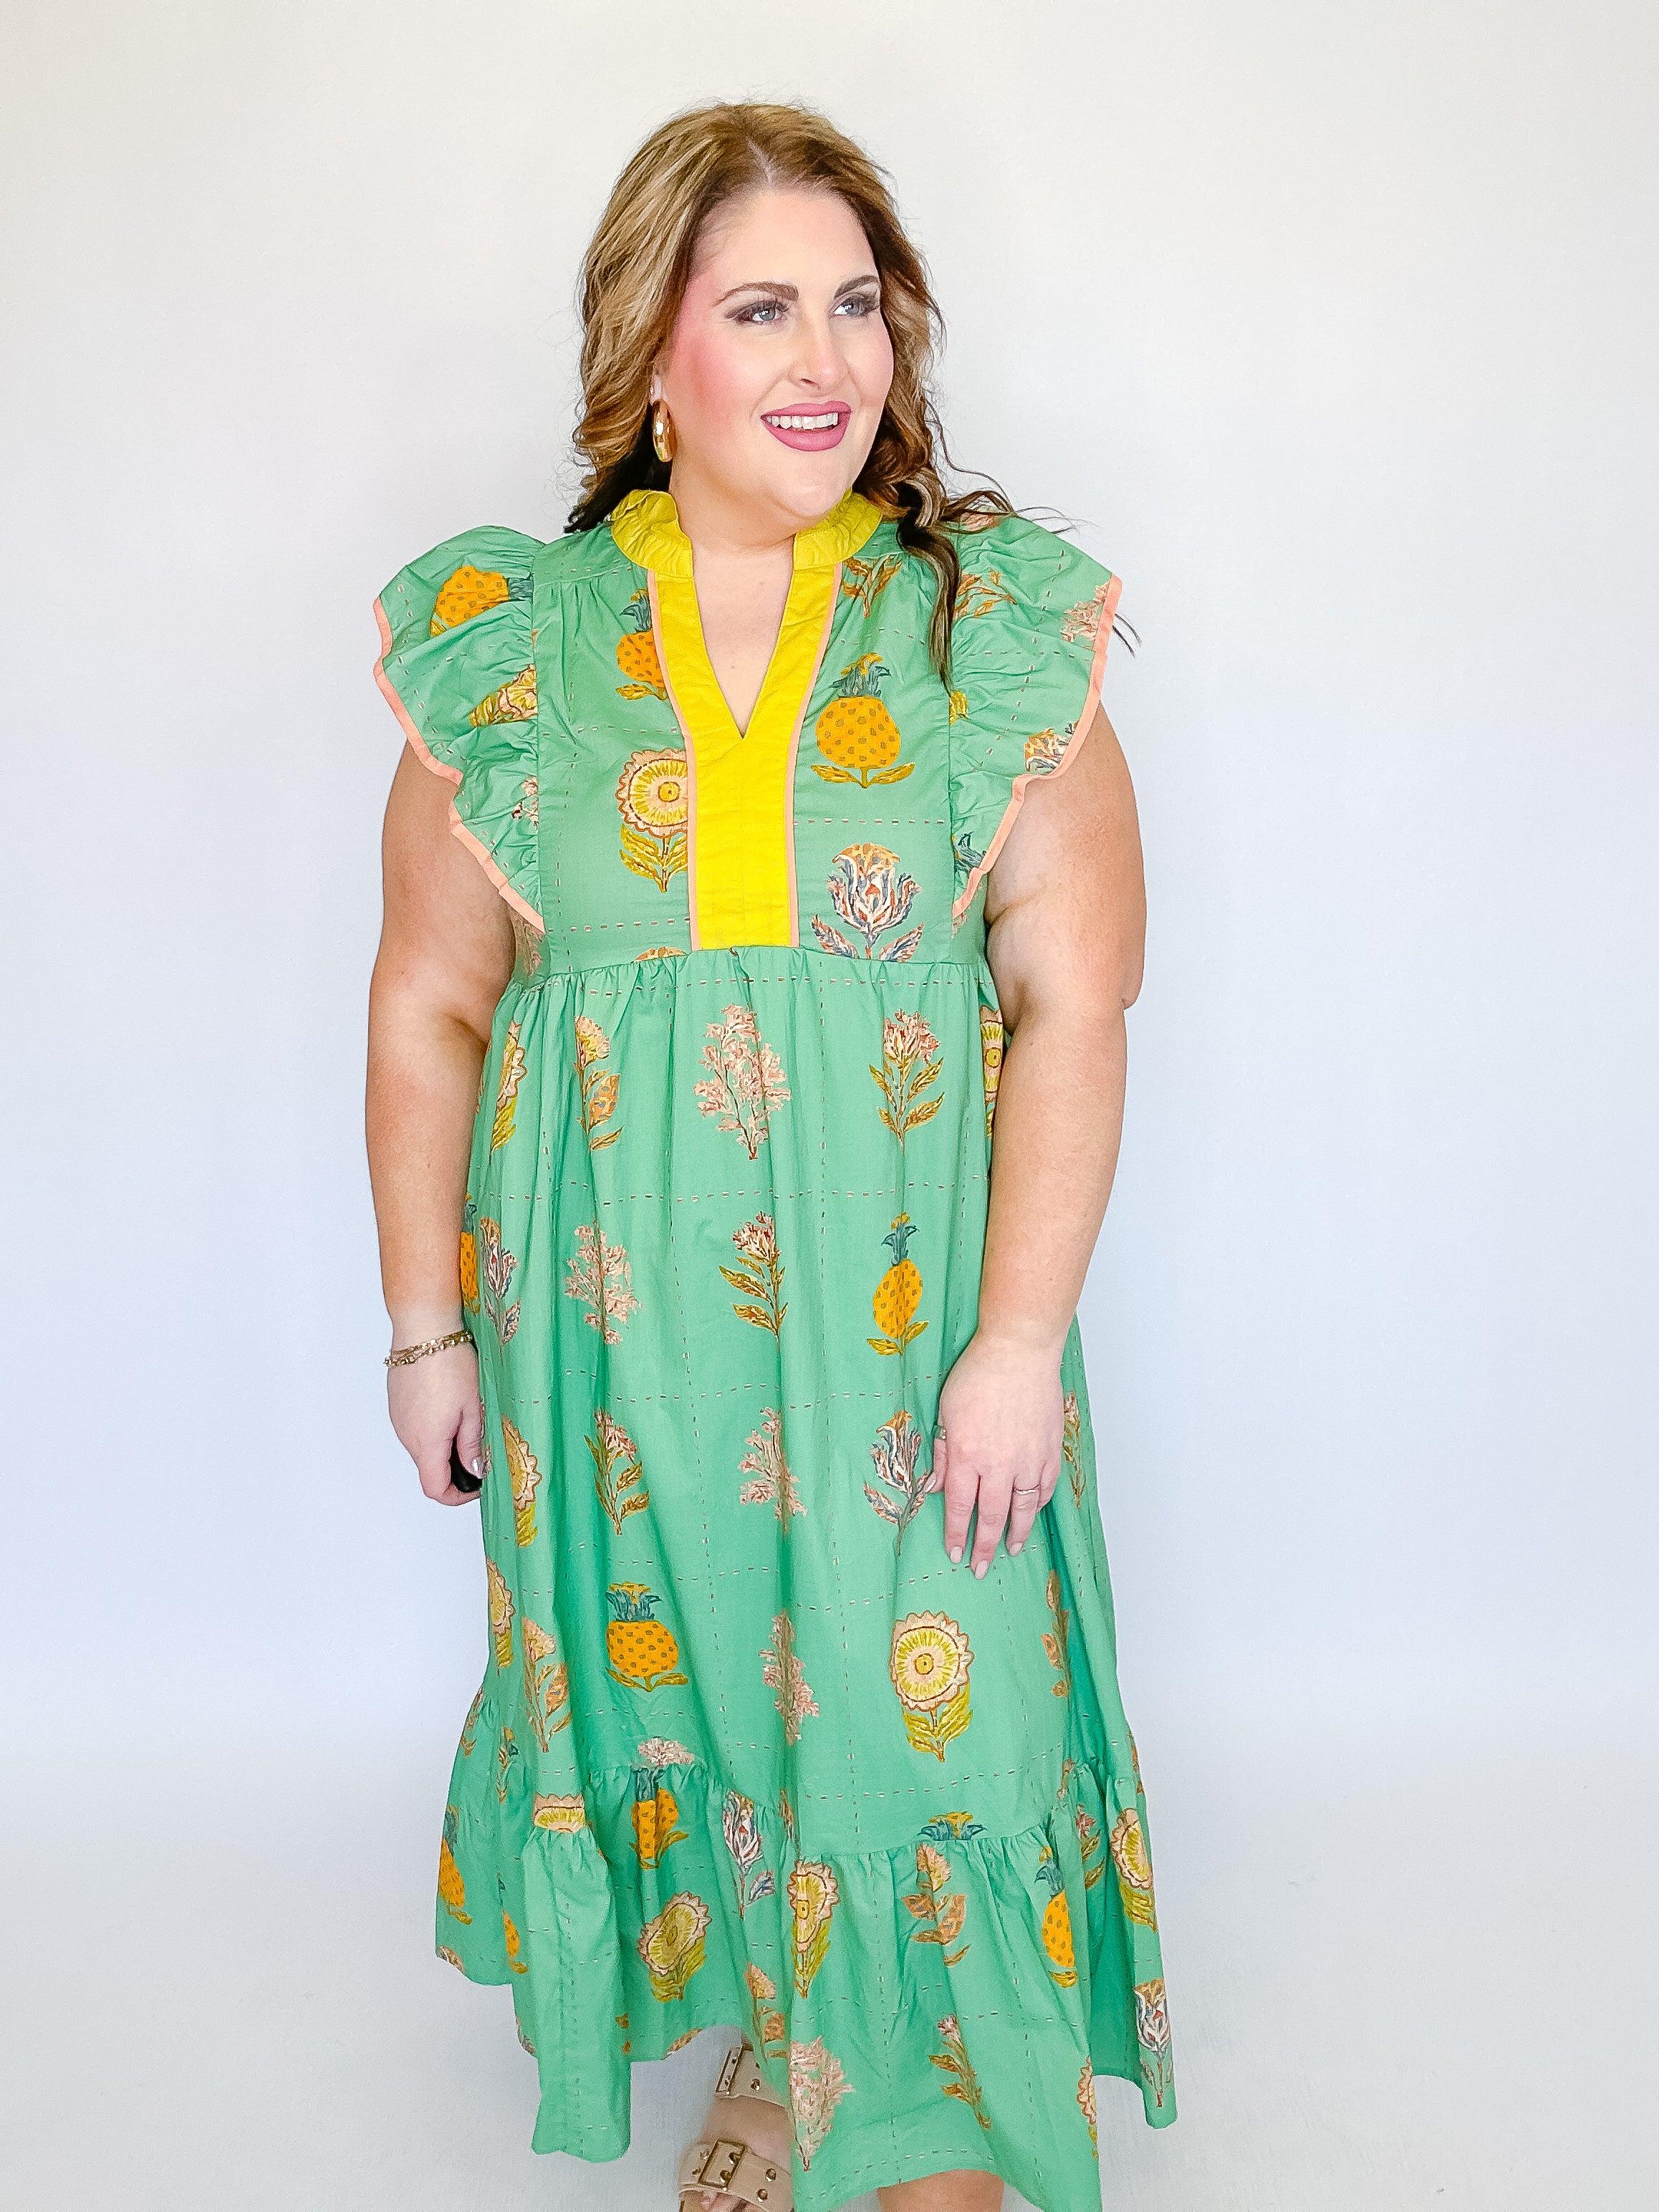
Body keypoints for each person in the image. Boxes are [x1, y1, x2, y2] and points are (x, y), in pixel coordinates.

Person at [366, 99, 1175, 2212]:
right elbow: (430, 1003)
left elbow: (1076, 1008)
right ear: (652, 351)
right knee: (709, 1685)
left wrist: (1018, 1345)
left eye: (857, 306)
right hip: (615, 1339)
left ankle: (935, 2104)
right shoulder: (515, 651)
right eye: (761, 311)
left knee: (930, 1712)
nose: (827, 360)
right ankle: (780, 2034)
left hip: (915, 1329)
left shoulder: (984, 633)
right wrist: (426, 1333)